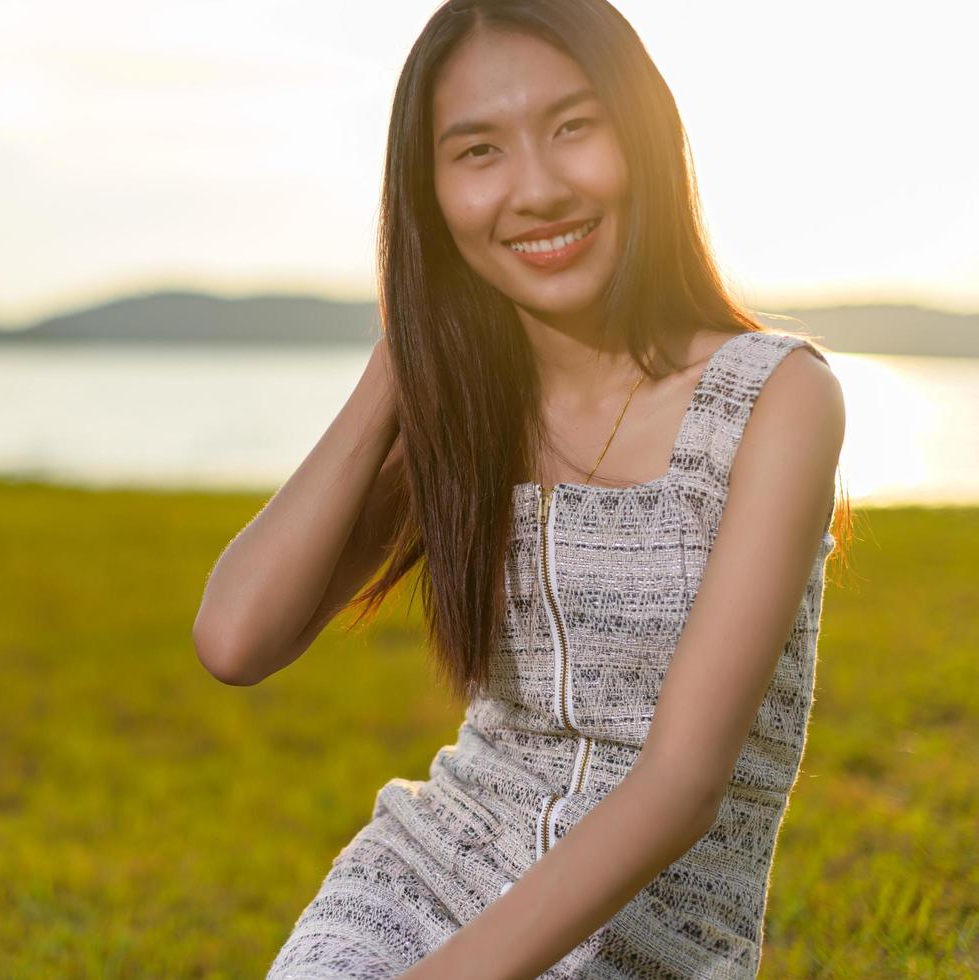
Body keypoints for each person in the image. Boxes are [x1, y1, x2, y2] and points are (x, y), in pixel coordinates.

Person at [191, 0, 852, 976]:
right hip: (427, 872)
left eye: (572, 127)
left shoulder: (778, 399)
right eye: (477, 151)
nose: (535, 189)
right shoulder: (467, 406)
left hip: (652, 927)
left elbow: (680, 782)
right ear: (428, 193)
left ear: (645, 135)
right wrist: (402, 361)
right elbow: (236, 638)